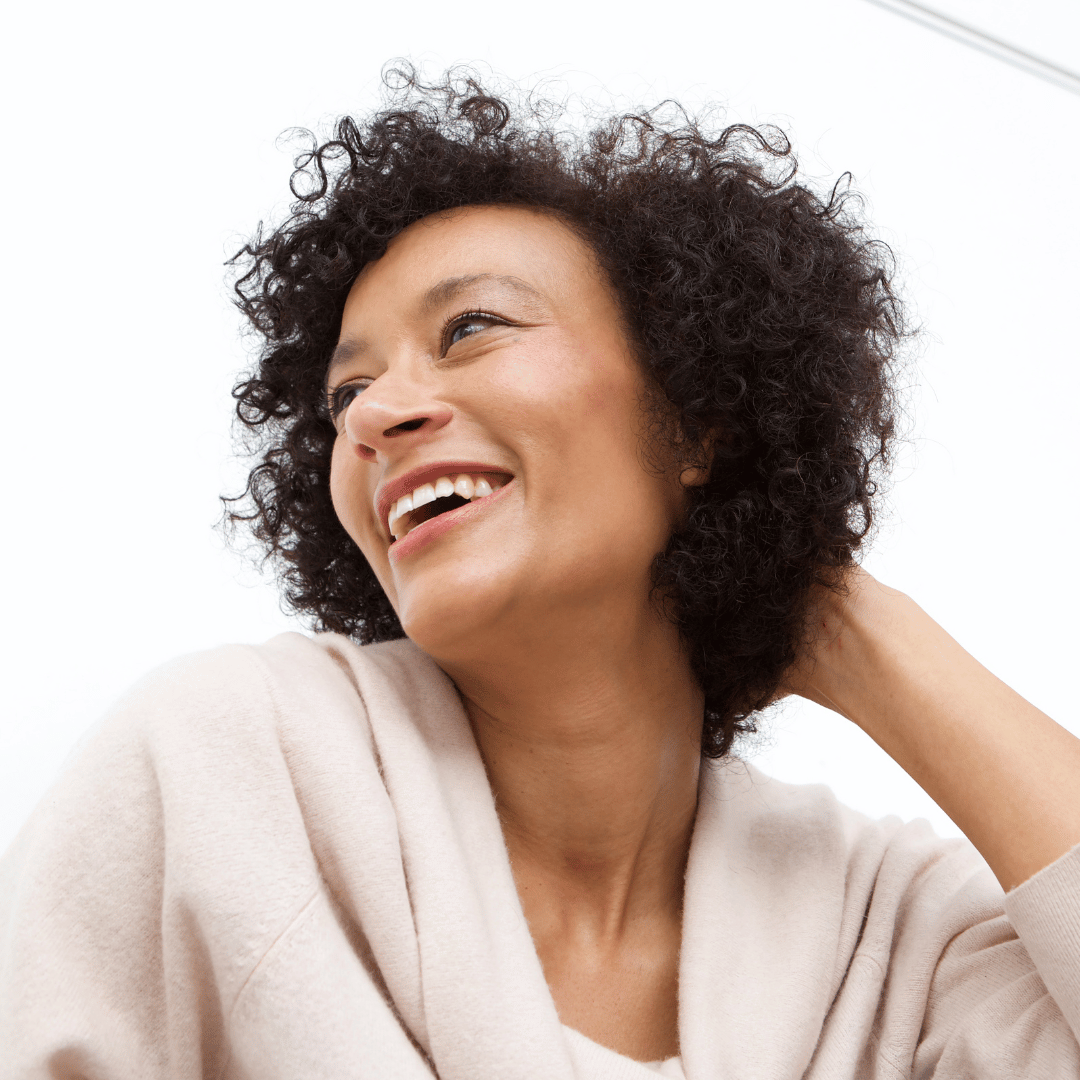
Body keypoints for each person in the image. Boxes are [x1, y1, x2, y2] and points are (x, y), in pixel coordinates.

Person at [1, 68, 1078, 1079]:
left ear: (699, 414)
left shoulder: (892, 938)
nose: (376, 414)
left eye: (471, 329)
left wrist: (867, 640)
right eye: (346, 396)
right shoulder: (221, 770)